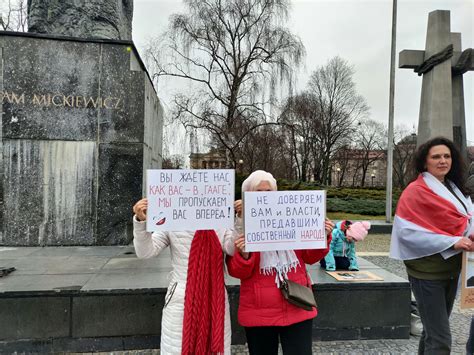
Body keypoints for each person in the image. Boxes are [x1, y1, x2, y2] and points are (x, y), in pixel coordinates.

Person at [226, 170, 334, 355]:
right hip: (259, 311)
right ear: (247, 196)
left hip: (297, 304)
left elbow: (309, 257)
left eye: (268, 191)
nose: (264, 195)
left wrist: (322, 235)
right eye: (258, 192)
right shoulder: (238, 226)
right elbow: (238, 272)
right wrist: (244, 254)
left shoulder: (291, 219)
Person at [390, 136, 474, 354]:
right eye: (436, 156)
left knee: (431, 333)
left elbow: (466, 219)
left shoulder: (455, 189)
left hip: (452, 270)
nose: (442, 161)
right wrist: (453, 241)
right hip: (426, 273)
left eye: (447, 156)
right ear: (425, 161)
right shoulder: (415, 191)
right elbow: (407, 232)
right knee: (441, 340)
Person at [132, 198, 235, 355]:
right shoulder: (171, 217)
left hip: (214, 297)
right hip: (181, 300)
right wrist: (141, 223)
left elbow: (233, 249)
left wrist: (241, 220)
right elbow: (145, 252)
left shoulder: (220, 218)